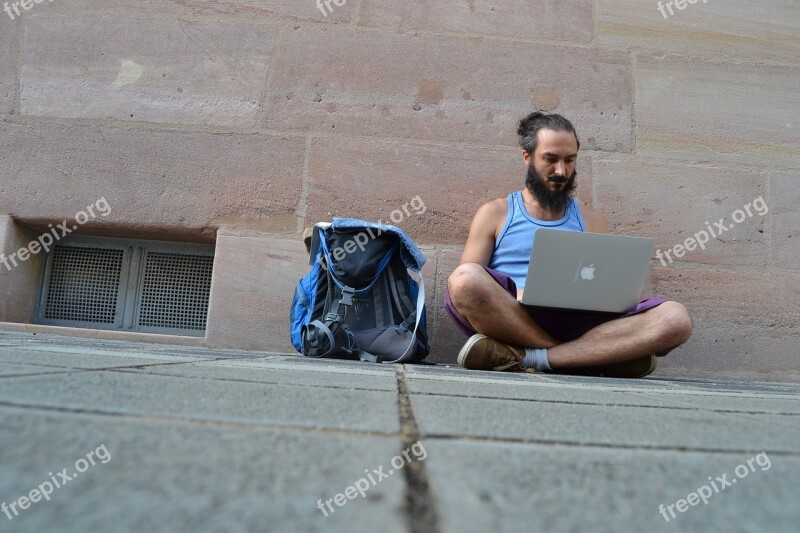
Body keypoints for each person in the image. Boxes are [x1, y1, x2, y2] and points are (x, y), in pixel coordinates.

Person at [444, 112, 693, 377]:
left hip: (580, 322)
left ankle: (527, 357)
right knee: (464, 280)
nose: (561, 171)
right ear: (527, 157)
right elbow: (466, 284)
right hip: (514, 316)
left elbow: (605, 287)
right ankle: (588, 356)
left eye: (569, 160)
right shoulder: (496, 212)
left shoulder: (592, 219)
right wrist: (522, 294)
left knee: (676, 319)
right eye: (550, 159)